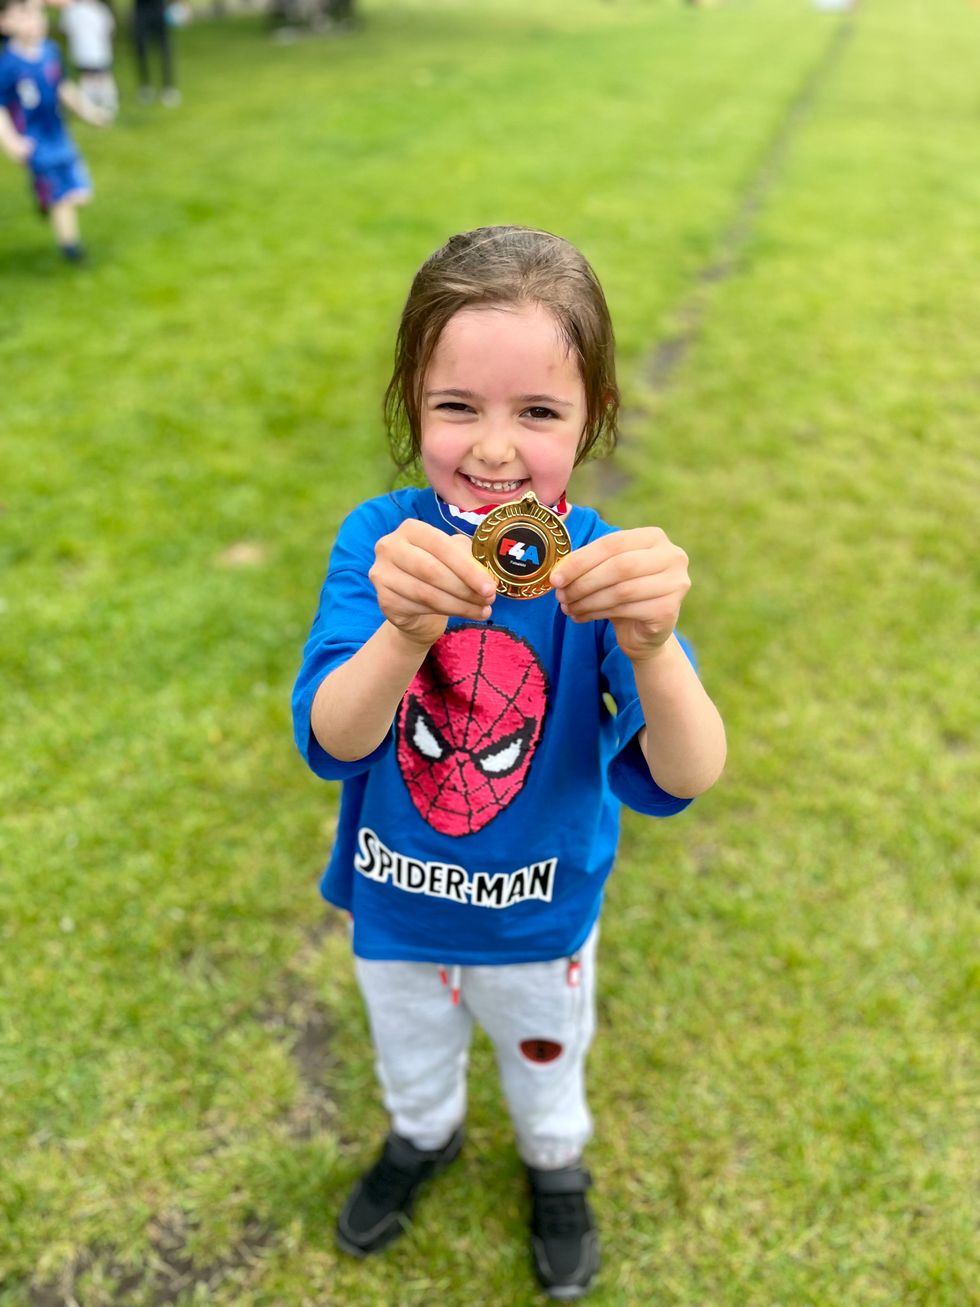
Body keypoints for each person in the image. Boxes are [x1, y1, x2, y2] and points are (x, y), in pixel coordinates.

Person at [292, 226, 727, 1299]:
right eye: (456, 407)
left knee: (544, 1059)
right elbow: (331, 737)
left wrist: (654, 644)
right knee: (410, 1051)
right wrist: (399, 629)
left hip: (539, 917)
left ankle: (552, 1161)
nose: (492, 451)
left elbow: (688, 770)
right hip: (397, 907)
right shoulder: (381, 543)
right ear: (410, 406)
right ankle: (422, 1134)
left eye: (536, 412)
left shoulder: (597, 573)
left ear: (592, 421)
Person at [0, 0, 111, 261]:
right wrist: (11, 142)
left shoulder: (51, 51)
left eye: (38, 14)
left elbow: (62, 87)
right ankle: (71, 249)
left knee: (82, 194)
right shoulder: (7, 66)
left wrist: (90, 113)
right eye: (25, 16)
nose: (35, 21)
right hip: (34, 140)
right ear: (5, 23)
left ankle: (45, 197)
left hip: (59, 134)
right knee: (64, 199)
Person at [59, 0, 118, 119]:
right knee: (91, 77)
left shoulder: (96, 9)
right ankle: (91, 104)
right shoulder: (74, 10)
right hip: (87, 52)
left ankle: (104, 102)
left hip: (97, 51)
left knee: (98, 77)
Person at [132, 0, 178, 106]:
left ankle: (168, 87)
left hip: (159, 8)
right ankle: (145, 86)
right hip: (141, 9)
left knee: (165, 50)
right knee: (141, 49)